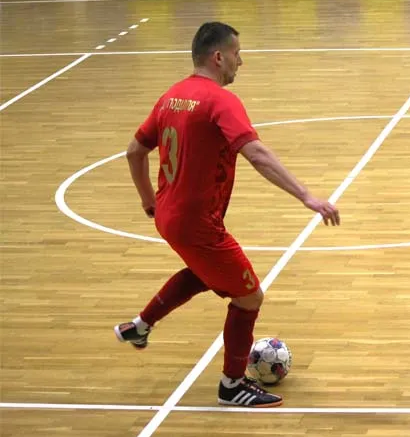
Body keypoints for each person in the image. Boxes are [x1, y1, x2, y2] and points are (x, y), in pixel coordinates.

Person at [114, 21, 340, 407]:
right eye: (237, 54)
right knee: (249, 297)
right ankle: (232, 385)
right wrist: (307, 196)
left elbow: (134, 152)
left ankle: (140, 326)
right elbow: (257, 154)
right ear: (218, 57)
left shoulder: (171, 97)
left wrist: (149, 201)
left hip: (170, 217)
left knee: (204, 273)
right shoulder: (220, 101)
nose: (241, 61)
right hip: (197, 224)